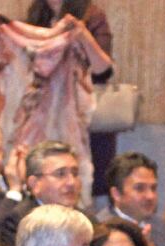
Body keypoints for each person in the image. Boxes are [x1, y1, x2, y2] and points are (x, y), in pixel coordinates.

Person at [24, 0, 114, 198]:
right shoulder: (36, 16)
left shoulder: (92, 15)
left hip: (79, 116)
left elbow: (103, 70)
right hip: (41, 114)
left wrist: (82, 35)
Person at [0, 141, 84, 246]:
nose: (71, 182)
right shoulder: (20, 222)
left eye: (75, 173)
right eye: (60, 174)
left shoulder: (85, 219)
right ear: (35, 184)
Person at [95, 152, 165, 246]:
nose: (150, 196)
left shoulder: (161, 226)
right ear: (116, 194)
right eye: (140, 188)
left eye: (153, 188)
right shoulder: (99, 227)